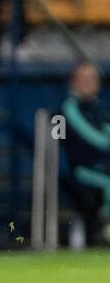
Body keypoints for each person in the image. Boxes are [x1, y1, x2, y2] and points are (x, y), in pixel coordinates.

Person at [61, 62, 110, 239]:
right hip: (81, 170)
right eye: (85, 79)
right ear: (73, 82)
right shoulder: (67, 108)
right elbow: (93, 138)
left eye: (93, 79)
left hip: (103, 166)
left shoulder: (100, 108)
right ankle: (105, 226)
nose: (90, 83)